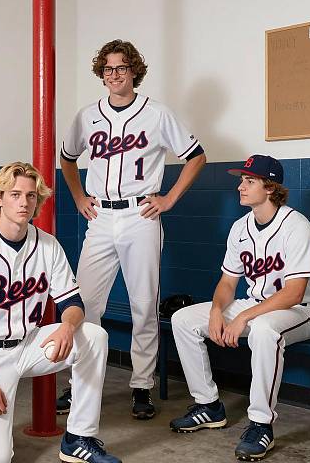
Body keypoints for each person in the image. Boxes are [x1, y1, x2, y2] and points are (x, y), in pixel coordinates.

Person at [59, 39, 206, 418]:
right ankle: (77, 384)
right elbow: (67, 157)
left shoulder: (156, 114)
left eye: (121, 67)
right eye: (108, 68)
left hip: (141, 215)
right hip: (101, 217)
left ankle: (141, 386)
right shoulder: (87, 115)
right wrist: (77, 196)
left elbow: (196, 156)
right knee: (84, 303)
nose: (114, 74)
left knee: (143, 304)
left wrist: (169, 199)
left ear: (134, 71)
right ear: (101, 73)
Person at [0, 162, 121, 463]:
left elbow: (73, 304)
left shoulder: (48, 245)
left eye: (31, 195)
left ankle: (79, 437)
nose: (24, 202)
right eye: (14, 194)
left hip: (30, 344)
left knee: (93, 335)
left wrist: (66, 327)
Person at [170, 155, 310, 461]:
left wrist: (244, 317)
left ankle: (261, 425)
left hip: (300, 311)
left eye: (249, 181)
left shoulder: (296, 226)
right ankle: (209, 405)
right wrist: (215, 311)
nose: (240, 186)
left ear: (270, 188)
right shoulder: (241, 227)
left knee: (264, 332)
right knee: (183, 319)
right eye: (241, 180)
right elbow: (227, 283)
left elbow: (294, 293)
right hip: (255, 304)